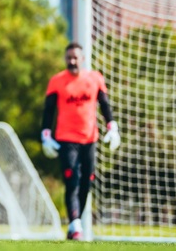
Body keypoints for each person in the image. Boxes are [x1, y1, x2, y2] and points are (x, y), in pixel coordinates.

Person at [41, 42, 120, 241]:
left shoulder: (95, 79)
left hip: (89, 138)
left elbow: (104, 104)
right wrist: (45, 134)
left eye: (75, 57)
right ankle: (75, 224)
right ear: (65, 59)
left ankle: (74, 222)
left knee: (86, 182)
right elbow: (49, 110)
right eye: (69, 58)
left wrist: (112, 125)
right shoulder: (57, 81)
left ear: (82, 59)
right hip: (66, 139)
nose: (72, 61)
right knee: (72, 179)